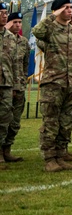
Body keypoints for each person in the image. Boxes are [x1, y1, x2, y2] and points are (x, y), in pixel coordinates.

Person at [32, 0, 72, 172]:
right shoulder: (50, 29)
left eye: (71, 7)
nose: (70, 10)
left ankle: (61, 155)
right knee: (51, 123)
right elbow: (37, 31)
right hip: (53, 83)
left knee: (66, 123)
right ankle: (49, 159)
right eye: (65, 7)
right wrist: (52, 15)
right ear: (57, 10)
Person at [2, 12, 30, 163]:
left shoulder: (24, 42)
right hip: (5, 85)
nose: (18, 25)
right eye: (15, 22)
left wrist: (23, 81)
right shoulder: (4, 39)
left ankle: (7, 149)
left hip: (19, 87)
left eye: (20, 22)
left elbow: (25, 64)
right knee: (3, 120)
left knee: (15, 122)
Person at [0, 4, 14, 170]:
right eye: (2, 13)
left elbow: (15, 63)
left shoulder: (10, 37)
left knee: (4, 120)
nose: (5, 16)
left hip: (6, 83)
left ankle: (2, 151)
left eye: (5, 13)